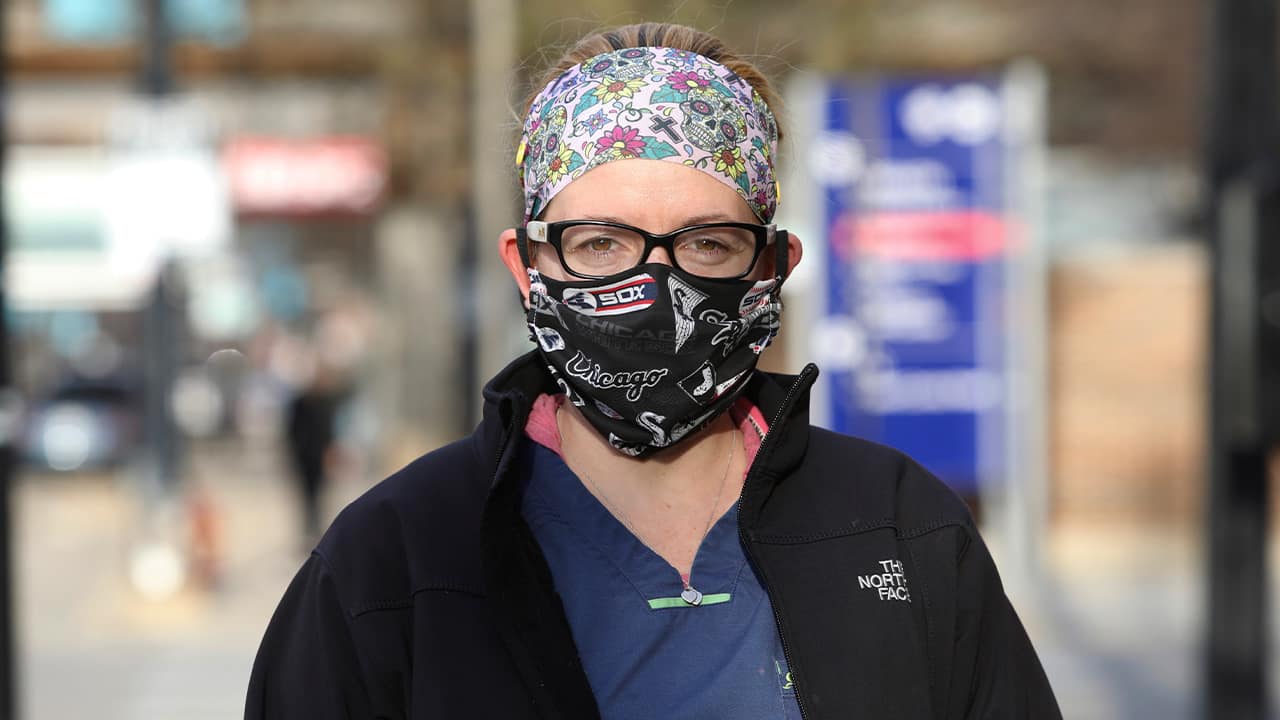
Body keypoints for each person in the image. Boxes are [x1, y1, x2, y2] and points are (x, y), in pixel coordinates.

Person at [246, 22, 1061, 719]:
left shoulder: (899, 529)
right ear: (528, 267)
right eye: (601, 243)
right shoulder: (396, 562)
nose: (655, 286)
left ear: (772, 265)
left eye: (707, 243)